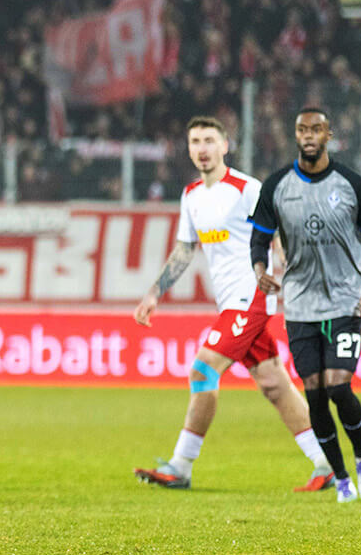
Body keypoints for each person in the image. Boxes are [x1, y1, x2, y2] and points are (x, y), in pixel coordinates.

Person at [132, 117, 334, 492]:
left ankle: (181, 464)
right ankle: (326, 462)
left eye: (210, 140)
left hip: (252, 295)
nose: (202, 148)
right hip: (230, 303)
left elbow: (280, 234)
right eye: (195, 141)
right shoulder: (191, 194)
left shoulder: (245, 188)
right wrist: (155, 292)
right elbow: (184, 248)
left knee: (203, 370)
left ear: (225, 146)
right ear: (189, 149)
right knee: (273, 383)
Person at [250, 107, 361, 504]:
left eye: (316, 129)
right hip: (300, 304)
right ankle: (341, 476)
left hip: (346, 299)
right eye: (301, 129)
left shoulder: (352, 185)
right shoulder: (276, 186)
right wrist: (260, 268)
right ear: (295, 135)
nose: (308, 135)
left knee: (338, 386)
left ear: (328, 134)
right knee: (313, 391)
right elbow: (258, 239)